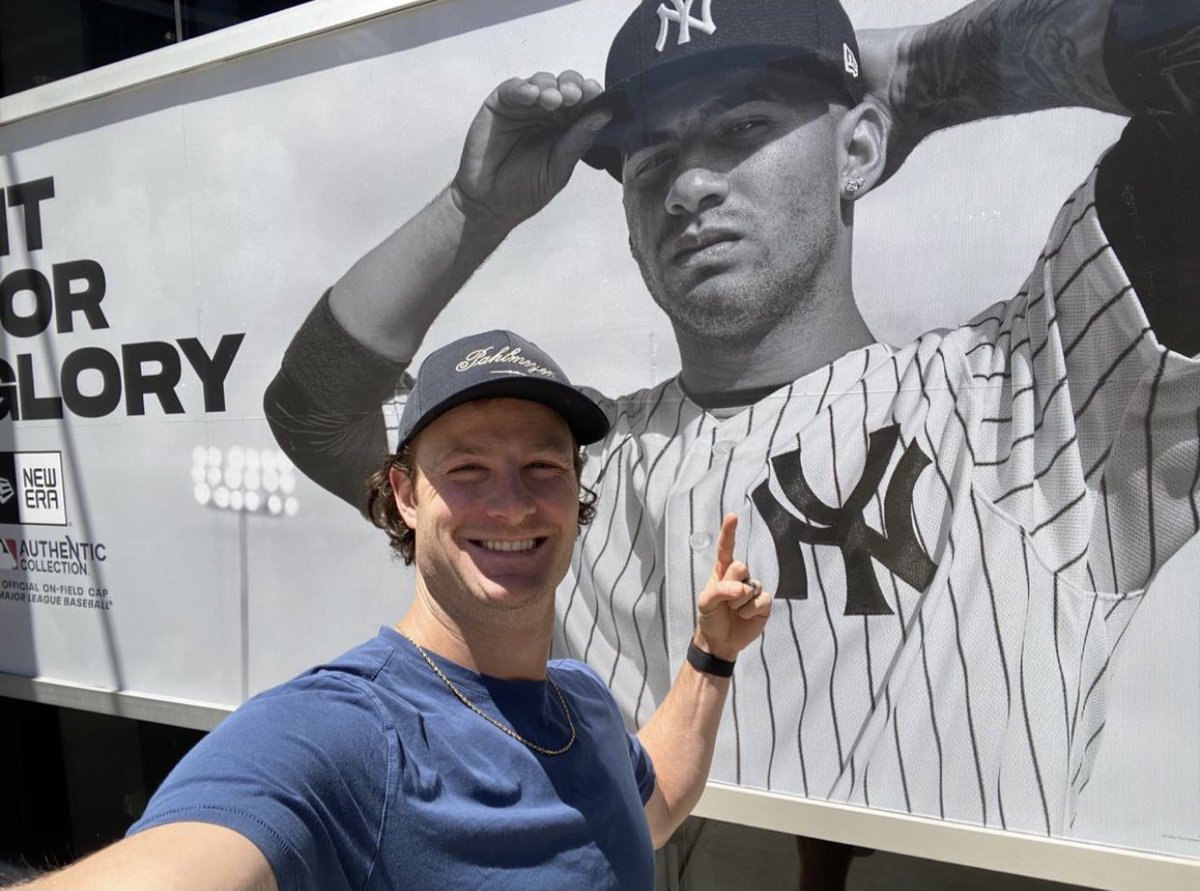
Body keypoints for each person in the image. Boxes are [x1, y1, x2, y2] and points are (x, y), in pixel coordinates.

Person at [264, 0, 1199, 885]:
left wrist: (917, 74)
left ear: (861, 148)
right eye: (651, 159)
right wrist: (478, 208)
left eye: (744, 128)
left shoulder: (1031, 393)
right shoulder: (571, 465)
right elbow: (315, 409)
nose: (689, 186)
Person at [11, 330, 772, 891]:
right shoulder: (347, 732)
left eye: (543, 465)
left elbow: (648, 807)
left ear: (576, 491)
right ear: (405, 495)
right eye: (467, 468)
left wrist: (712, 655)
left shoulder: (581, 701)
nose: (511, 504)